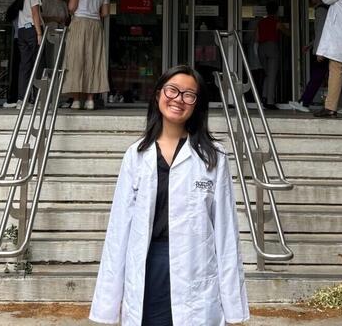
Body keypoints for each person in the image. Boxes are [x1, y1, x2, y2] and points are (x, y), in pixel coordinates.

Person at [89, 65, 249, 326]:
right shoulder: (136, 155)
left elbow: (226, 231)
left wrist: (233, 305)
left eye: (189, 94)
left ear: (197, 105)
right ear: (158, 95)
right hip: (148, 267)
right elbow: (119, 230)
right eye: (172, 90)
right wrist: (109, 302)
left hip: (195, 268)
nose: (178, 99)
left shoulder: (213, 157)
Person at [288, 0, 342, 113]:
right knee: (340, 76)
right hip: (329, 49)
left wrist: (320, 50)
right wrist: (310, 44)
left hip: (324, 50)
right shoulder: (328, 10)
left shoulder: (321, 11)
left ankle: (304, 102)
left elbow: (322, 31)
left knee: (317, 76)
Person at [62, 0, 110, 110]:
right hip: (95, 26)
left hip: (80, 23)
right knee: (93, 60)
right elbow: (105, 13)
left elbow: (71, 7)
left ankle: (76, 100)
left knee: (76, 59)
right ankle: (90, 99)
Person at [4, 0, 43, 109]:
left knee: (24, 66)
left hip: (21, 31)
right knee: (37, 64)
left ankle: (22, 99)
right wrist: (39, 33)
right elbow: (35, 13)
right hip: (32, 30)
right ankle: (36, 99)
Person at [256, 0, 289, 110]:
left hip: (261, 48)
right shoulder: (276, 22)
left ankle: (264, 97)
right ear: (276, 11)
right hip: (272, 47)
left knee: (267, 74)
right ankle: (270, 101)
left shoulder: (260, 22)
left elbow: (256, 37)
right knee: (272, 75)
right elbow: (288, 33)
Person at [41, 0, 69, 69]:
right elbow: (41, 18)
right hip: (50, 35)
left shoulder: (64, 3)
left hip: (63, 36)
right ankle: (51, 80)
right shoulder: (46, 1)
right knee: (51, 60)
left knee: (61, 61)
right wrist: (54, 19)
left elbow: (67, 20)